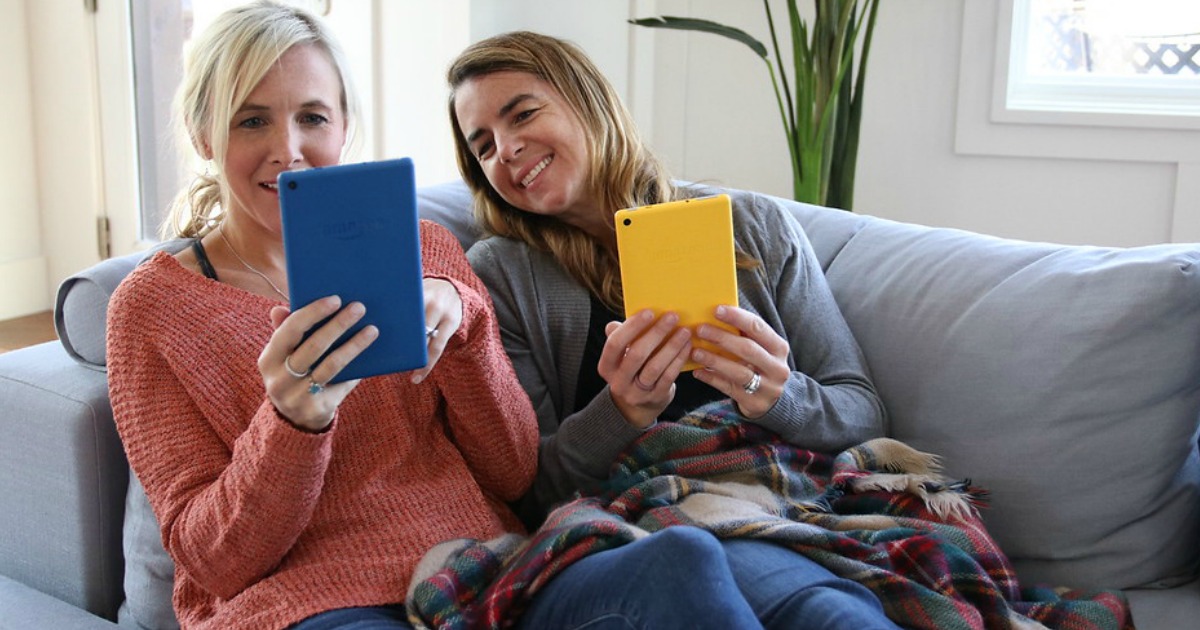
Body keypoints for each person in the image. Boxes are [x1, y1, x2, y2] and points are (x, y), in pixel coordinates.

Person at [107, 4, 793, 629]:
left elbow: (515, 475)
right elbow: (214, 563)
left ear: (344, 128)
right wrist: (292, 422)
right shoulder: (152, 309)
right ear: (203, 134)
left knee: (683, 562)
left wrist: (466, 326)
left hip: (481, 567)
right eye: (250, 119)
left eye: (312, 117)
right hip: (310, 601)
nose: (288, 147)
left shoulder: (428, 252)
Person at [448, 30, 900, 629]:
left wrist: (777, 395)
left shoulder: (752, 224)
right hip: (645, 520)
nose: (505, 148)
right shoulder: (500, 272)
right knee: (814, 607)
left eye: (523, 114)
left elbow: (862, 411)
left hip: (781, 494)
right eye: (483, 146)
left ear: (589, 101)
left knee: (829, 614)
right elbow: (528, 489)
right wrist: (621, 410)